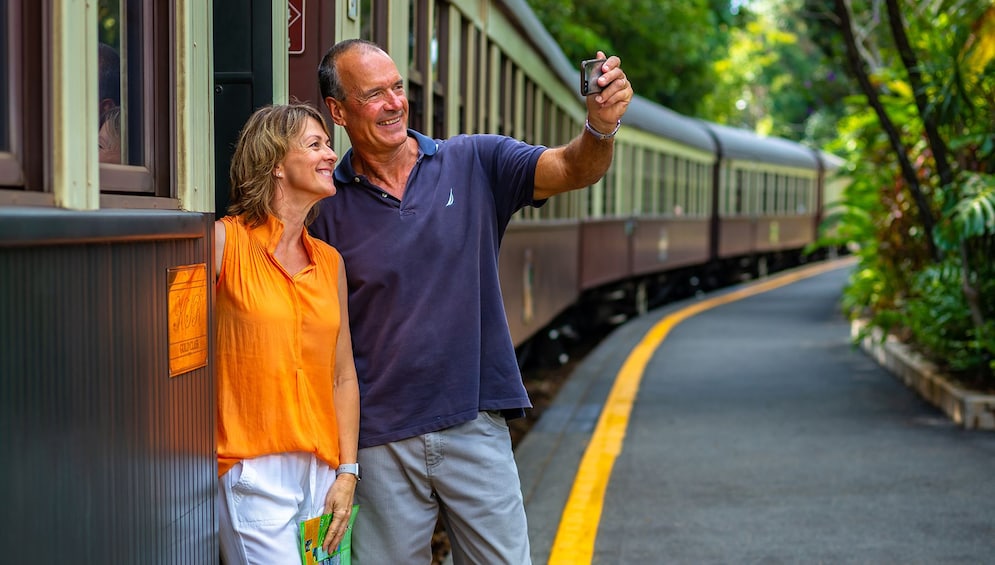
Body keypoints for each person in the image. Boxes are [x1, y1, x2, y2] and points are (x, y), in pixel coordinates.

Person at [312, 39, 632, 564]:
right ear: (338, 111)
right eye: (374, 94)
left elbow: (575, 168)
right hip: (379, 439)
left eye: (398, 87)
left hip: (473, 421)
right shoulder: (326, 204)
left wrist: (600, 127)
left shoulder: (475, 161)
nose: (395, 102)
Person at [213, 102, 360, 564]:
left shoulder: (329, 261)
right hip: (254, 472)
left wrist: (347, 472)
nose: (330, 155)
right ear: (275, 164)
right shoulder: (223, 243)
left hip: (320, 477)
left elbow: (343, 377)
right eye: (315, 145)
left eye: (328, 145)